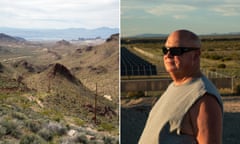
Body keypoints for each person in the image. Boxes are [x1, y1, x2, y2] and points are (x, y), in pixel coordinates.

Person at [138, 29, 223, 144]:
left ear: (196, 55)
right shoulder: (174, 86)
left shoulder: (204, 98)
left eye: (176, 51)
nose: (168, 55)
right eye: (165, 50)